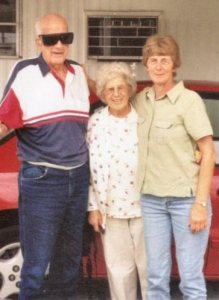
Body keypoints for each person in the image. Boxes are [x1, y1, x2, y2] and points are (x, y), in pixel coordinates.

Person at [0, 12, 90, 300]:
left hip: (78, 178)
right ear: (39, 41)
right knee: (37, 264)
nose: (59, 45)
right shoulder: (25, 73)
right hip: (43, 179)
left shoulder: (79, 74)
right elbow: (3, 120)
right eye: (52, 39)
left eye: (66, 38)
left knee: (68, 262)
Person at [133, 34, 216, 299]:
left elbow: (207, 150)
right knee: (156, 277)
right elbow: (111, 98)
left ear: (174, 64)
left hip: (186, 201)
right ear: (146, 64)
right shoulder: (140, 100)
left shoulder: (189, 101)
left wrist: (200, 205)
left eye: (164, 60)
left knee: (190, 280)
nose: (158, 66)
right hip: (151, 201)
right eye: (153, 60)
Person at [87, 62, 147, 300]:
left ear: (130, 89)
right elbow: (89, 170)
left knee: (150, 270)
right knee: (120, 272)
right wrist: (93, 207)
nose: (116, 94)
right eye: (110, 89)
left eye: (121, 87)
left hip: (146, 207)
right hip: (110, 210)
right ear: (102, 94)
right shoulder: (96, 122)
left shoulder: (143, 119)